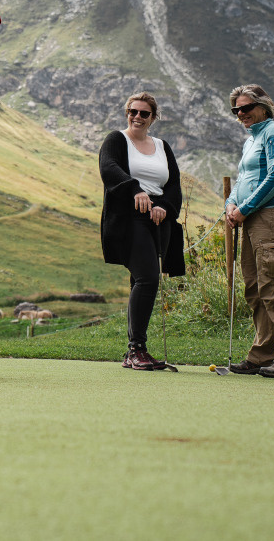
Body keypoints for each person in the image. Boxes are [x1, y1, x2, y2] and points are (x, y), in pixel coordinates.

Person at [98, 91, 185, 370]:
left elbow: (173, 184)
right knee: (147, 278)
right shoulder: (116, 139)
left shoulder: (162, 146)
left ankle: (133, 353)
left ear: (153, 117)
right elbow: (109, 169)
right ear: (127, 113)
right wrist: (134, 190)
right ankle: (136, 349)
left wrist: (166, 208)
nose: (137, 117)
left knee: (142, 280)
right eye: (132, 112)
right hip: (128, 219)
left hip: (159, 221)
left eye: (144, 113)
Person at [225, 83, 274, 379]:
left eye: (246, 107)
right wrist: (230, 203)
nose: (241, 113)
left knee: (273, 285)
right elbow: (243, 178)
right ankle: (262, 355)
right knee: (254, 288)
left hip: (269, 217)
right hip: (248, 218)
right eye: (237, 110)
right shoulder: (251, 140)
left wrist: (243, 209)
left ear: (263, 107)